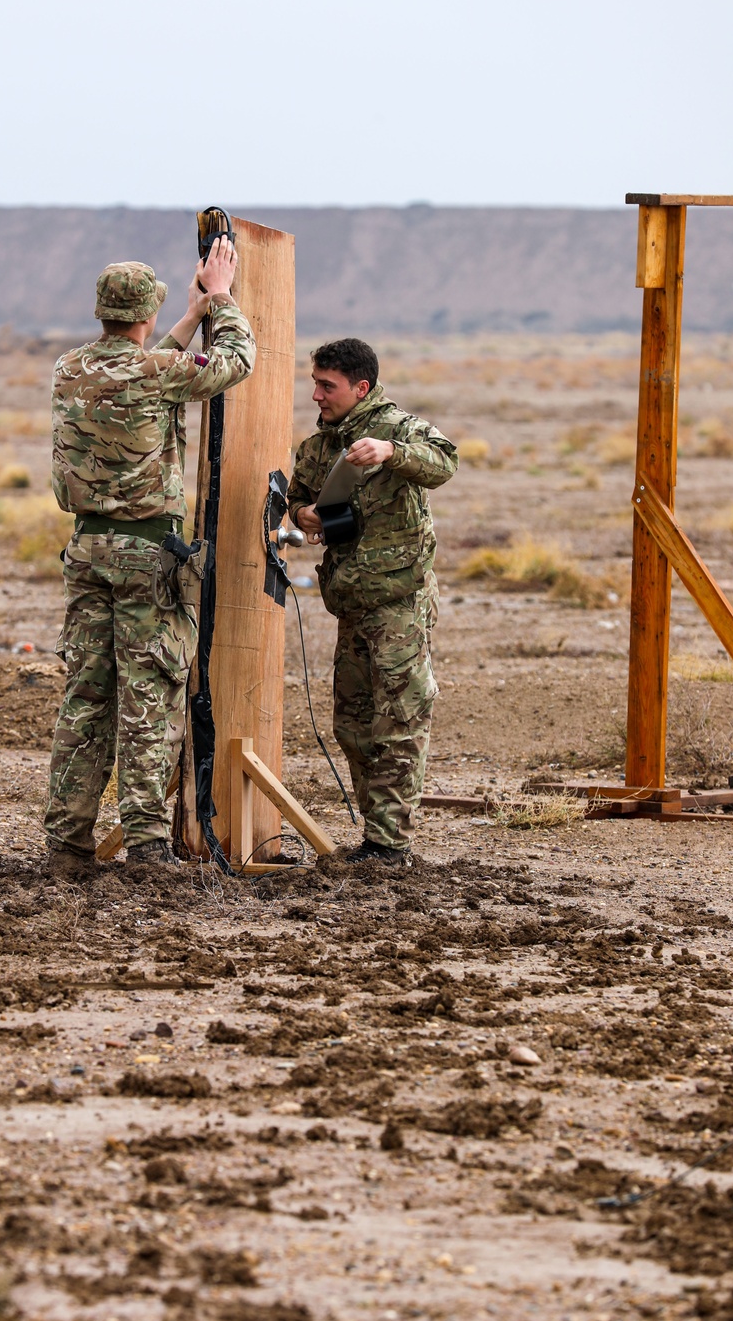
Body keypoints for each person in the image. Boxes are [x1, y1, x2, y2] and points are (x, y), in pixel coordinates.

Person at [44, 241, 254, 880]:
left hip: (87, 549)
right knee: (148, 695)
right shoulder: (155, 371)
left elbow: (142, 361)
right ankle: (145, 845)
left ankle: (68, 840)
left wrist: (187, 320)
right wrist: (221, 297)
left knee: (87, 693)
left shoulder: (70, 367)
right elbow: (236, 361)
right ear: (143, 317)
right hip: (143, 553)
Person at [287, 338, 458, 867]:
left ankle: (389, 844)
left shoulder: (397, 427)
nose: (316, 394)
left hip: (398, 603)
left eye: (327, 385)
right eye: (314, 383)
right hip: (352, 604)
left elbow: (445, 462)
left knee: (400, 720)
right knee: (354, 726)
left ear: (360, 388)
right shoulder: (319, 447)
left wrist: (391, 453)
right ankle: (378, 835)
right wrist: (303, 517)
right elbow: (297, 497)